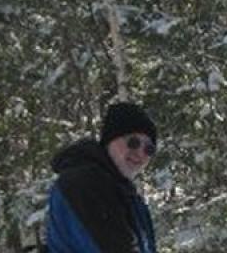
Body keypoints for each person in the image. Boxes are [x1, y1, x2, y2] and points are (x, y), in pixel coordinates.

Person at [46, 101, 159, 253]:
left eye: (149, 149)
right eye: (133, 142)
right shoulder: (82, 184)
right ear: (110, 140)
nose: (140, 153)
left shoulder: (126, 194)